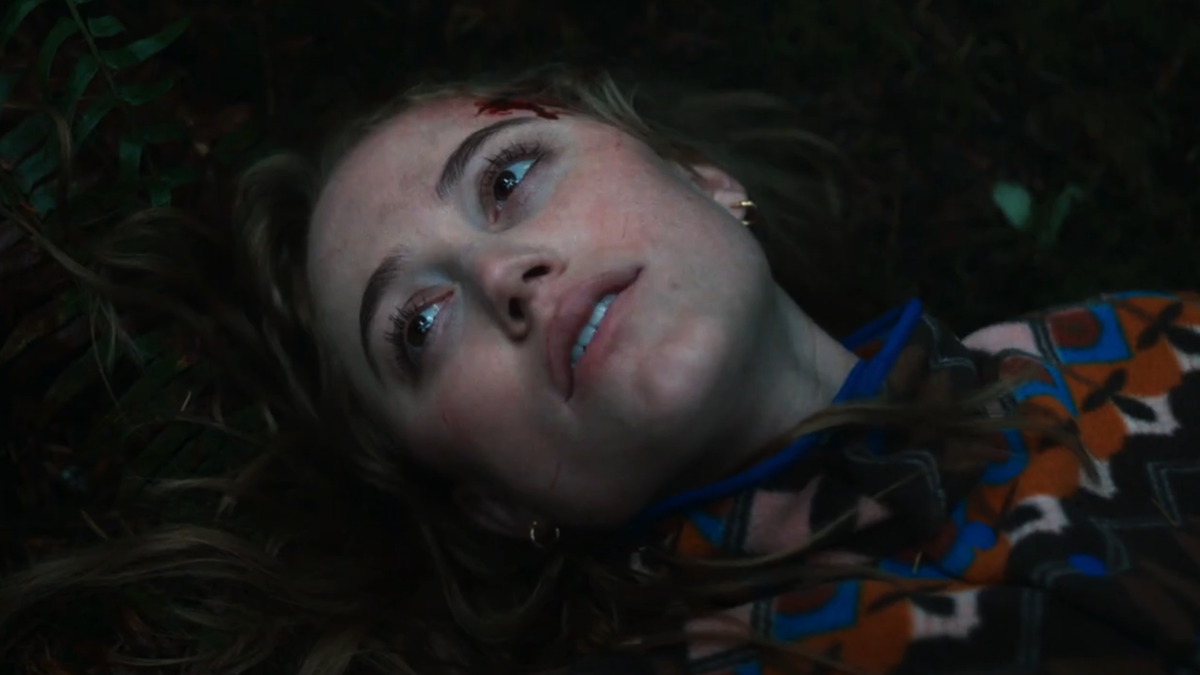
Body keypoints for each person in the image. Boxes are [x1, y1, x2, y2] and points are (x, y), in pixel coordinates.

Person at [3, 64, 1199, 675]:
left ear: (704, 177)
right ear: (486, 500)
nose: (505, 272)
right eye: (419, 325)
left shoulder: (1141, 340)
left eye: (509, 176)